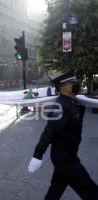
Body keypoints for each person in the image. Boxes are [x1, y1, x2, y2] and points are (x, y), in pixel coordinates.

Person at [27, 71, 98, 199]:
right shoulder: (60, 106)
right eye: (72, 83)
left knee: (56, 187)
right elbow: (49, 131)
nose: (76, 84)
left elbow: (74, 121)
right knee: (89, 189)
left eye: (75, 82)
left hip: (68, 155)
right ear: (62, 86)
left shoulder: (71, 102)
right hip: (65, 158)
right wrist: (37, 155)